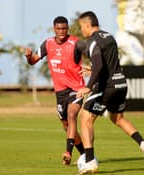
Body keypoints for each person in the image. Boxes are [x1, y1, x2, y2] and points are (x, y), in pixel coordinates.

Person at [76, 11, 144, 174]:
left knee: (85, 118)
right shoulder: (109, 37)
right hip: (121, 82)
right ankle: (143, 144)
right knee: (117, 118)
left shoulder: (92, 41)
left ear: (87, 24)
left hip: (107, 86)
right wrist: (92, 69)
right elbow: (107, 64)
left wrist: (88, 86)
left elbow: (98, 65)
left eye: (81, 26)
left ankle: (90, 162)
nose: (81, 30)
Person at [25, 16, 86, 166]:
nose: (61, 32)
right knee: (66, 125)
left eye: (64, 28)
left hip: (76, 89)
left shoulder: (76, 43)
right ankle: (85, 154)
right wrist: (28, 57)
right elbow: (34, 60)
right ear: (54, 29)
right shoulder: (48, 44)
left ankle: (68, 153)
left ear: (68, 29)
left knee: (72, 116)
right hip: (60, 92)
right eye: (59, 29)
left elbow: (93, 54)